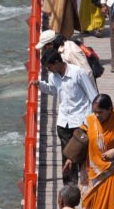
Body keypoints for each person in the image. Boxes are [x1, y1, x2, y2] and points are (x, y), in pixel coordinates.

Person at [32, 45, 97, 183]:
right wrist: (40, 85)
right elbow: (54, 90)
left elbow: (93, 96)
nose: (48, 70)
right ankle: (69, 190)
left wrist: (93, 120)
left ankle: (86, 186)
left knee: (82, 157)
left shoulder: (78, 73)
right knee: (66, 156)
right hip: (63, 122)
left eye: (49, 67)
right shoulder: (53, 76)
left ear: (57, 63)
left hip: (80, 122)